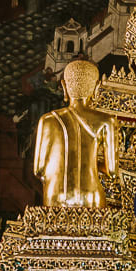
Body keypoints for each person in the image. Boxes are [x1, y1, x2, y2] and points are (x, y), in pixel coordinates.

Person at [31, 60, 117, 209]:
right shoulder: (106, 121)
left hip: (55, 197)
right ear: (96, 88)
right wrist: (89, 162)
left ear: (64, 86)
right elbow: (112, 171)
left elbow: (39, 170)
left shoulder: (47, 120)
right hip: (91, 198)